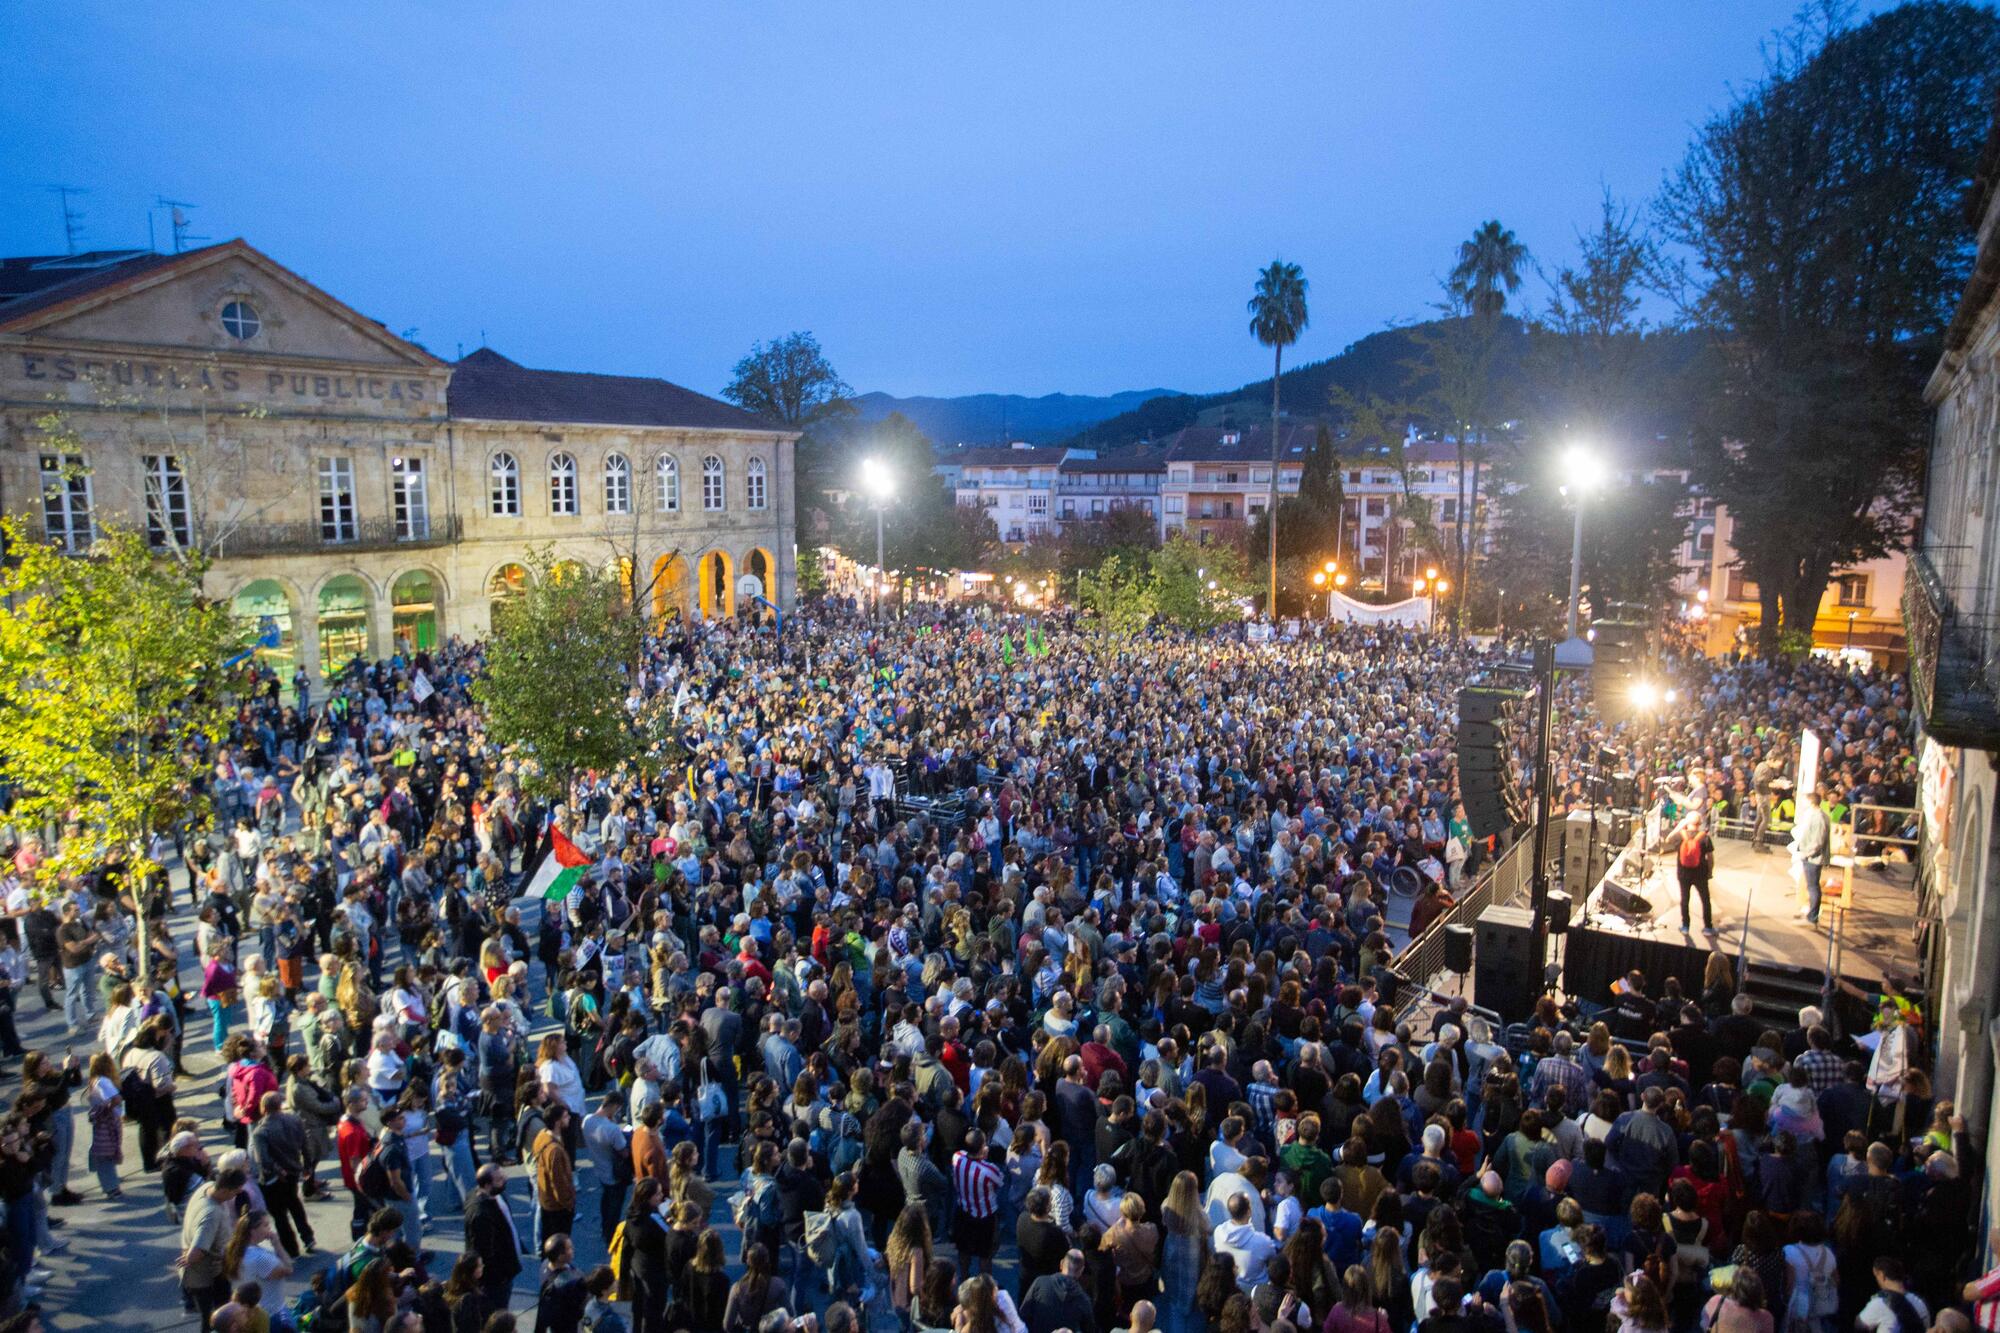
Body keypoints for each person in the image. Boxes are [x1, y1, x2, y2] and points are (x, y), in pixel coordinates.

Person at [463, 1163, 525, 1313]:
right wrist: (502, 1276)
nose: (505, 1179)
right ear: (487, 1184)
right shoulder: (481, 1215)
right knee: (497, 1312)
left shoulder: (495, 1195)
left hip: (505, 1269)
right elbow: (484, 1253)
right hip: (496, 1281)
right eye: (499, 1179)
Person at [1019, 1249, 1097, 1333]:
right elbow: (1090, 1329)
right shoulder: (1084, 1300)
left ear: (1061, 1263)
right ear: (1081, 1271)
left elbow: (1023, 1315)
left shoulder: (1040, 1283)